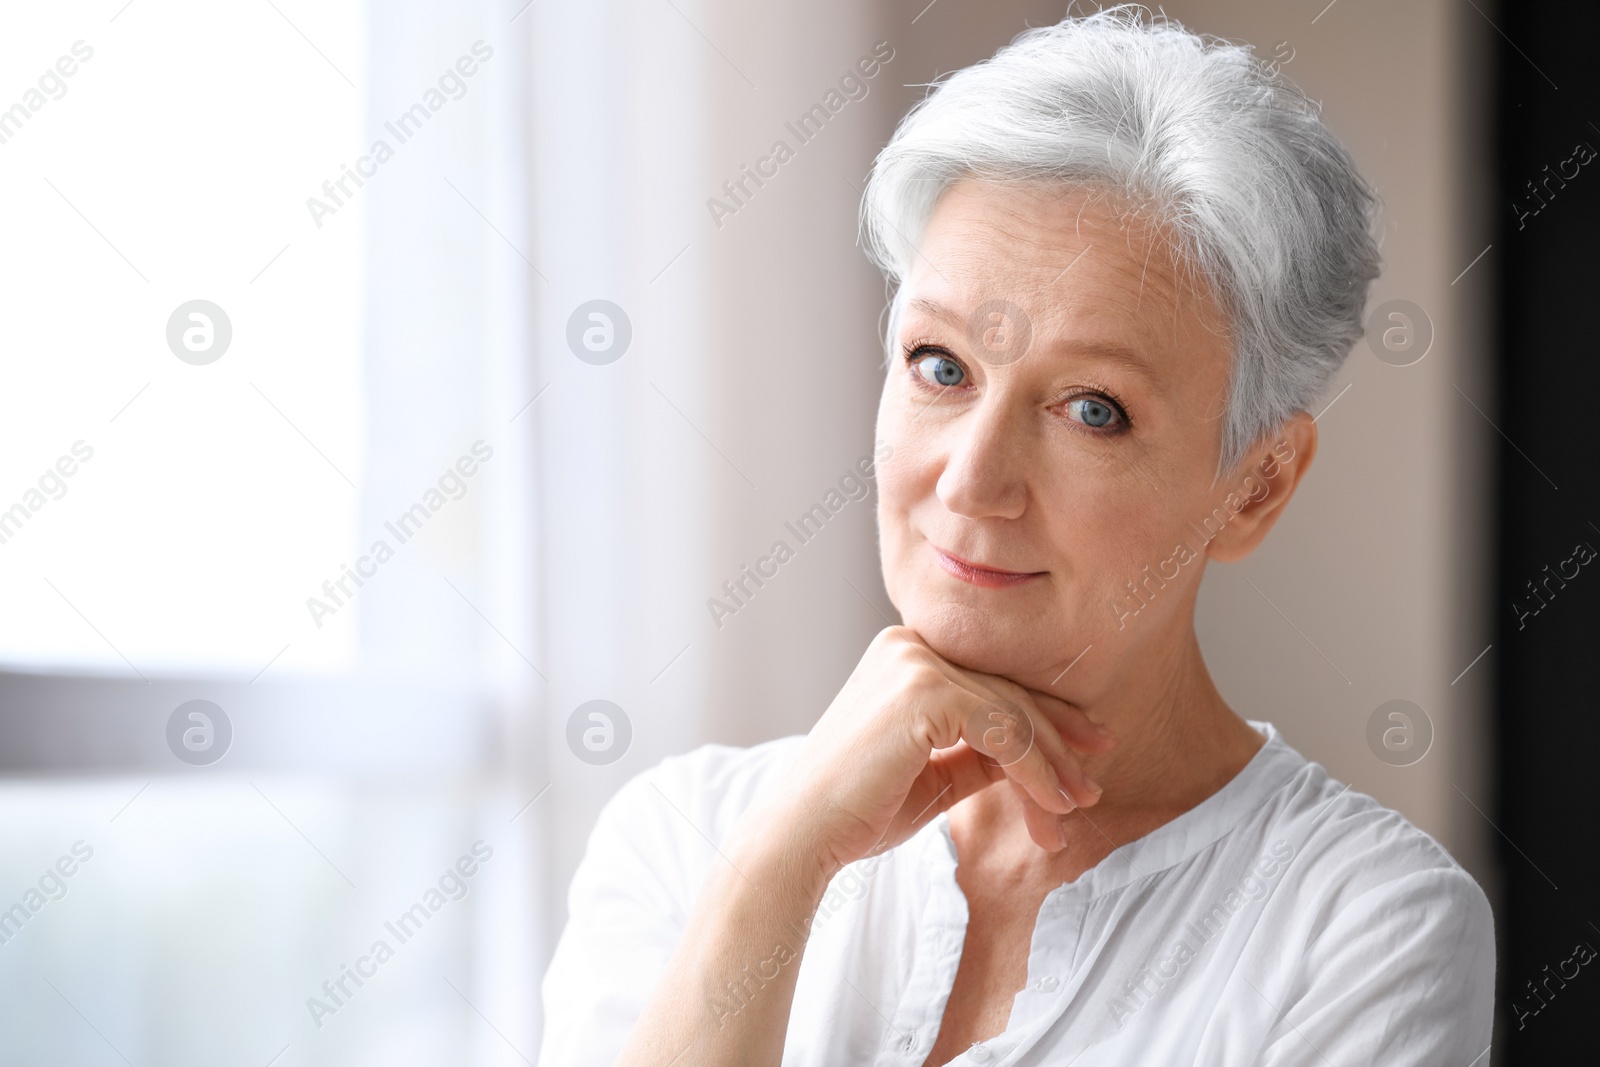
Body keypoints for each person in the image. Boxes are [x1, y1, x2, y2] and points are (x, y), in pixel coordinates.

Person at [538, 6, 1494, 1064]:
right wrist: (780, 866)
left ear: (1255, 487)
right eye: (940, 366)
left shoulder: (1361, 927)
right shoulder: (687, 839)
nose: (972, 478)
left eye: (1092, 408)